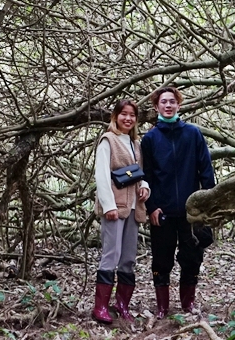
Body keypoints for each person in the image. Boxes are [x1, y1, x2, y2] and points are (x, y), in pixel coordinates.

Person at [141, 85, 215, 317]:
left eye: (172, 101)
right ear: (156, 107)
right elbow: (147, 177)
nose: (168, 105)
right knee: (161, 260)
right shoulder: (150, 139)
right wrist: (151, 207)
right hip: (161, 211)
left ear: (179, 105)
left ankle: (187, 304)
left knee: (191, 257)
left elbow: (206, 170)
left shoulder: (193, 134)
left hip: (191, 210)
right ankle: (162, 307)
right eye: (163, 102)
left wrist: (207, 203)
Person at [92, 99, 150, 324]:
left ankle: (122, 304)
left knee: (128, 258)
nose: (128, 118)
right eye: (123, 114)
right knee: (111, 255)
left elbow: (138, 174)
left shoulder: (135, 143)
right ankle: (100, 307)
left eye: (132, 115)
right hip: (115, 207)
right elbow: (102, 175)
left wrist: (145, 187)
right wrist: (109, 206)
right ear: (115, 116)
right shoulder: (108, 140)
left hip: (134, 207)